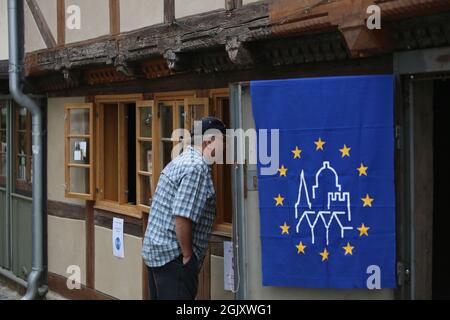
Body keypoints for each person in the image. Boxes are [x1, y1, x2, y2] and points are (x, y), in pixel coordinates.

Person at [141, 116, 227, 300]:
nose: (223, 148)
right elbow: (182, 217)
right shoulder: (197, 167)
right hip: (175, 258)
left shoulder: (181, 160)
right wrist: (188, 256)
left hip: (157, 253)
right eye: (222, 141)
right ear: (210, 140)